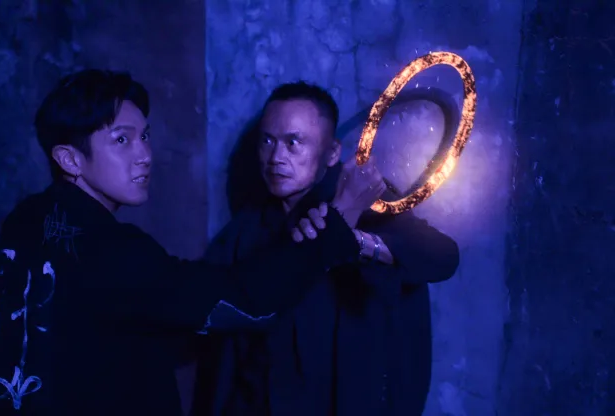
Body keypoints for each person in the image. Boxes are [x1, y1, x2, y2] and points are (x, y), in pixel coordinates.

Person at [0, 70, 379, 416]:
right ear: (69, 159)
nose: (144, 154)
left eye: (144, 136)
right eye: (121, 140)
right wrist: (339, 219)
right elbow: (245, 302)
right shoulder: (113, 249)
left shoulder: (25, 219)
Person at [191, 81, 460, 415]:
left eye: (293, 143)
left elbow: (442, 255)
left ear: (332, 153)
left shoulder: (369, 205)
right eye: (268, 141)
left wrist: (360, 242)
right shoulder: (244, 231)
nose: (276, 158)